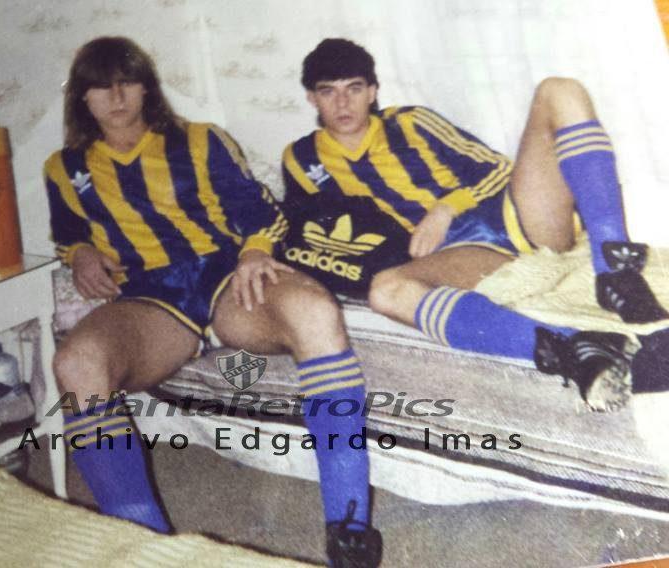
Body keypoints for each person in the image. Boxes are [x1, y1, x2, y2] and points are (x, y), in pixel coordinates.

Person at [43, 37, 382, 567]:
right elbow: (67, 236)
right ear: (81, 97)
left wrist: (255, 253)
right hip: (154, 300)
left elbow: (260, 211)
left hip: (228, 277)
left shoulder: (200, 140)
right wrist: (80, 253)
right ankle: (145, 544)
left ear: (146, 88)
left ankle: (350, 527)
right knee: (75, 362)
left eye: (127, 82)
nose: (117, 97)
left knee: (315, 311)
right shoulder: (65, 169)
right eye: (101, 87)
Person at [282, 39, 668, 412]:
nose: (343, 103)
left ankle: (615, 271)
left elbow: (496, 168)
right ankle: (578, 350)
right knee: (385, 292)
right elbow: (300, 227)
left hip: (514, 216)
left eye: (353, 88)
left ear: (372, 92)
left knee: (559, 90)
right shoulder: (301, 159)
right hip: (463, 254)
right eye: (328, 91)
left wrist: (445, 209)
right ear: (312, 98)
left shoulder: (411, 122)